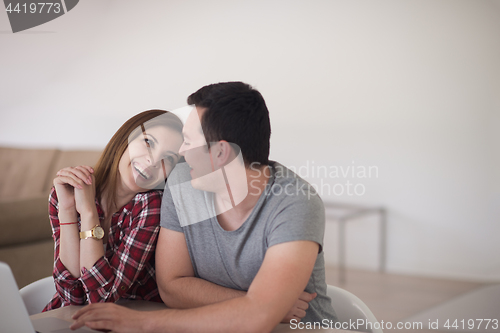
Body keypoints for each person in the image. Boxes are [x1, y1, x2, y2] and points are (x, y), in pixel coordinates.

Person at [70, 82, 337, 332]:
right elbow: (172, 287)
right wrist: (257, 303)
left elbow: (259, 319)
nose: (182, 152)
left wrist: (142, 322)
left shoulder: (295, 203)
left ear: (221, 153)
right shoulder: (184, 181)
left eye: (188, 141)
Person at [43, 110, 184, 311]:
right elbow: (70, 293)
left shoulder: (151, 206)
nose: (153, 161)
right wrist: (67, 210)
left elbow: (102, 299)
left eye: (168, 159)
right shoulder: (66, 193)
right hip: (71, 316)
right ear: (126, 138)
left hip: (129, 317)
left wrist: (89, 213)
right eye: (148, 143)